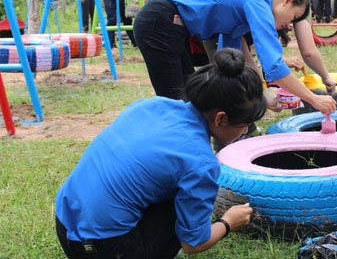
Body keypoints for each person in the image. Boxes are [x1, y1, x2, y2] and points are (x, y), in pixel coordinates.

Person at [55, 48, 263, 258]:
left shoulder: (152, 105)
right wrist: (228, 222)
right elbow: (193, 244)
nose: (245, 131)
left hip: (64, 223)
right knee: (183, 205)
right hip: (102, 248)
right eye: (245, 124)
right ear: (221, 119)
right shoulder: (201, 162)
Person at [133, 0, 337, 114]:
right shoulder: (257, 0)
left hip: (170, 24)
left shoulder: (239, 17)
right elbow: (273, 66)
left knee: (190, 99)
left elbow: (236, 64)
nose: (288, 25)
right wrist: (313, 99)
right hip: (160, 21)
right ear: (287, 1)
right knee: (178, 105)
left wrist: (261, 94)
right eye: (292, 18)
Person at [196, 0, 337, 94]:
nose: (289, 24)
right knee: (226, 71)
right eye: (293, 17)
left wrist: (262, 91)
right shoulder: (268, 1)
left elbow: (246, 50)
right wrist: (323, 82)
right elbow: (307, 52)